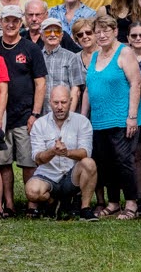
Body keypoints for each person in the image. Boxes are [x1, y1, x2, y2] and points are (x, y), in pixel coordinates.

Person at [0, 6, 47, 215]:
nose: (11, 25)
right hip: (0, 116)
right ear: (0, 22)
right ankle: (8, 204)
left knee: (28, 162)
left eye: (15, 21)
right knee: (3, 163)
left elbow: (40, 83)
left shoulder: (31, 48)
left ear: (21, 23)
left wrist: (35, 114)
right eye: (7, 20)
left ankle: (32, 204)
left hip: (24, 116)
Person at [86, 14, 141, 220]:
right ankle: (113, 202)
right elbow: (89, 88)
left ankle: (131, 203)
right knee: (105, 161)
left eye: (106, 31)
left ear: (115, 31)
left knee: (123, 161)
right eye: (98, 31)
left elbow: (136, 83)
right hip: (99, 120)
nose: (101, 35)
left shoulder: (124, 52)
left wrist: (132, 117)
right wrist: (84, 117)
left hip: (121, 118)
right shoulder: (94, 55)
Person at [25, 85, 98, 220]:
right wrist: (53, 151)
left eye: (63, 102)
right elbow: (37, 158)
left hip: (72, 175)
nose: (60, 107)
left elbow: (85, 152)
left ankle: (85, 208)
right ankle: (52, 201)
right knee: (31, 191)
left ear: (70, 101)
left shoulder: (82, 122)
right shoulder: (40, 124)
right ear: (49, 103)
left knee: (89, 163)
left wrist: (66, 152)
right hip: (48, 175)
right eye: (56, 102)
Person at [38, 18, 85, 110]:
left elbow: (75, 90)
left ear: (62, 35)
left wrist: (70, 116)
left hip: (64, 112)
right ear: (42, 36)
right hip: (43, 114)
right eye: (48, 32)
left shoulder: (71, 57)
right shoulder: (37, 57)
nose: (52, 35)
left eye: (57, 32)